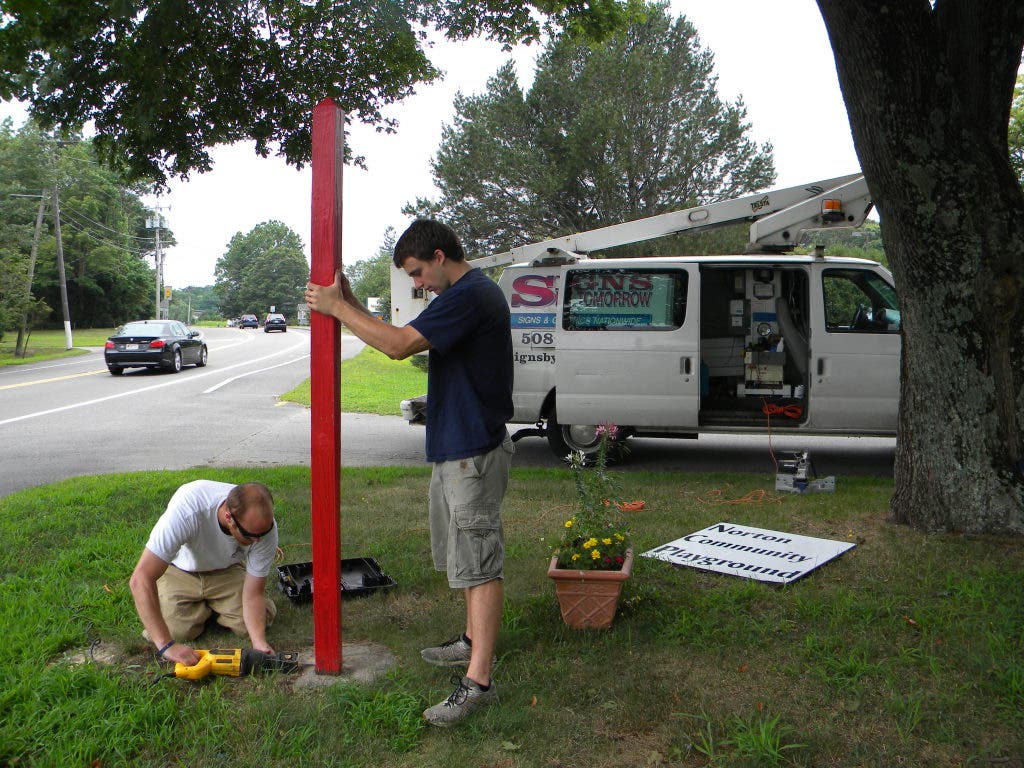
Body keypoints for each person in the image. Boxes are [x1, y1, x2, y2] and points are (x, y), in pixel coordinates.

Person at [304, 219, 514, 727]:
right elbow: (400, 332)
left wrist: (336, 308)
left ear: (440, 256)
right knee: (465, 556)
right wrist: (349, 303)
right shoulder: (458, 295)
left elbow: (397, 346)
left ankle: (479, 680)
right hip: (455, 447)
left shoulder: (471, 295)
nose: (417, 283)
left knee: (480, 561)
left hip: (472, 450)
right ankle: (468, 641)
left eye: (418, 273)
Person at [129, 480, 279, 666]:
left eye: (263, 534)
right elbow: (141, 578)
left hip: (227, 570)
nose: (258, 540)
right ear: (229, 517)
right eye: (250, 536)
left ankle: (205, 608)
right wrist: (166, 646)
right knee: (176, 631)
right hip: (180, 571)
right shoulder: (188, 509)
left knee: (252, 625)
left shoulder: (263, 529)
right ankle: (208, 608)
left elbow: (254, 592)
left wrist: (259, 643)